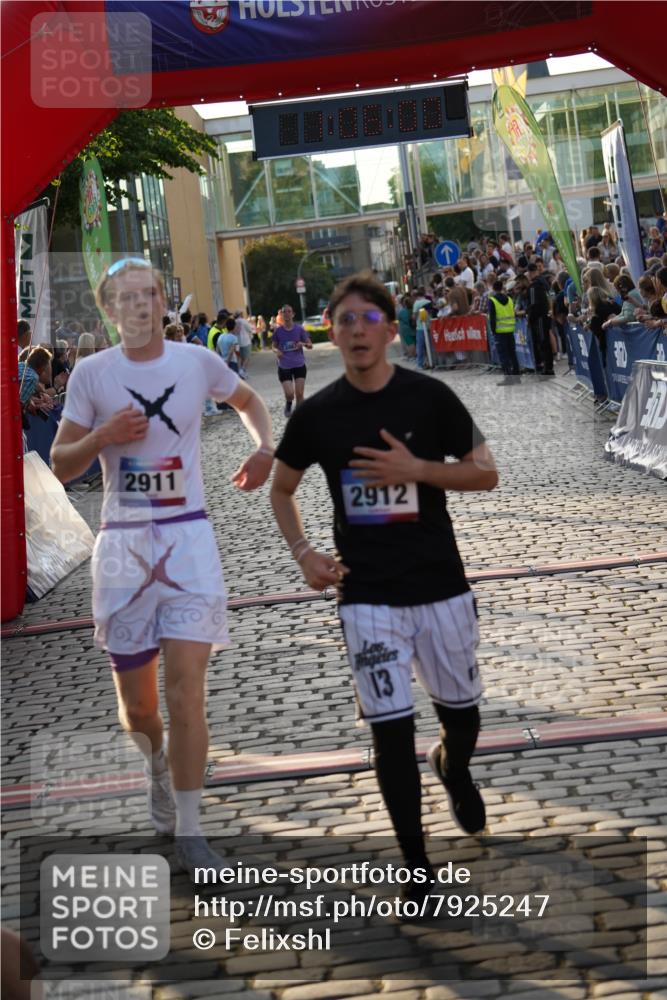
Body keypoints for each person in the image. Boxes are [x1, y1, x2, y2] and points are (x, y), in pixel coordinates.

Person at [270, 272, 498, 910]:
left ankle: (453, 763)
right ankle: (417, 867)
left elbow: (486, 472)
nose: (358, 330)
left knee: (464, 717)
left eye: (370, 319)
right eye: (346, 320)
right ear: (331, 332)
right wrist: (304, 552)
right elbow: (282, 490)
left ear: (392, 331)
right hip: (366, 597)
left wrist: (417, 470)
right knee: (389, 732)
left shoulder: (430, 398)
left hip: (440, 585)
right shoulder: (317, 416)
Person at [50, 257, 275, 878]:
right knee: (142, 709)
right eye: (128, 297)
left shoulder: (195, 361)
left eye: (150, 293)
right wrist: (102, 438)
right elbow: (59, 462)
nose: (141, 305)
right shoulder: (92, 376)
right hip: (123, 548)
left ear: (162, 301)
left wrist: (263, 449)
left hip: (188, 540)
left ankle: (193, 831)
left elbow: (251, 400)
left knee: (185, 695)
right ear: (110, 308)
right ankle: (155, 765)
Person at [272, 303, 313, 417]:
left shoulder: (299, 329)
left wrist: (303, 344)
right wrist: (277, 351)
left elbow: (310, 345)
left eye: (289, 311)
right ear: (281, 314)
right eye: (284, 311)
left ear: (293, 314)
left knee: (299, 394)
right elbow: (273, 346)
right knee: (290, 394)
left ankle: (299, 416)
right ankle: (289, 403)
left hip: (299, 364)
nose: (287, 314)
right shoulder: (278, 331)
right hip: (284, 365)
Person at [488, 279, 520, 385]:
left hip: (499, 332)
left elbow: (492, 318)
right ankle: (517, 377)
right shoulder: (510, 299)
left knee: (503, 356)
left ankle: (508, 378)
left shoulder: (492, 300)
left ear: (493, 288)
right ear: (502, 288)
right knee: (512, 354)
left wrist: (493, 331)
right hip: (510, 330)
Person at [526, 262, 554, 377]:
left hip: (539, 318)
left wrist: (530, 319)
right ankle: (549, 366)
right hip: (546, 314)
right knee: (545, 341)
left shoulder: (533, 286)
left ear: (530, 273)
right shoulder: (544, 282)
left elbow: (533, 304)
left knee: (543, 342)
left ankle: (547, 368)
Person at [396, 294, 416, 359]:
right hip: (413, 328)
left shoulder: (402, 311)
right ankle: (415, 355)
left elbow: (397, 319)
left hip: (405, 329)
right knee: (414, 342)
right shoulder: (413, 310)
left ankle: (411, 356)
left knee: (409, 343)